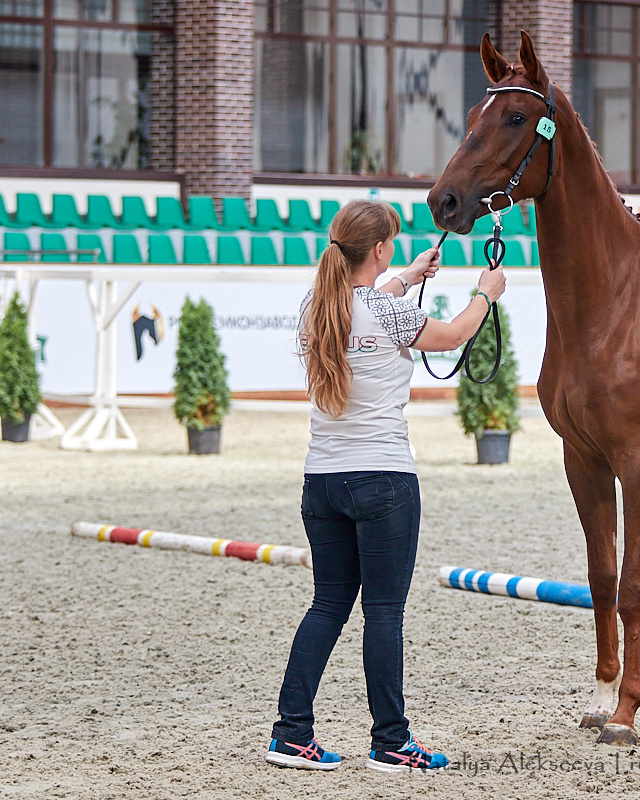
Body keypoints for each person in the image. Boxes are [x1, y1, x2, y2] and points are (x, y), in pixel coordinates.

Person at [265, 199, 506, 773]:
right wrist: (485, 293)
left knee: (327, 605)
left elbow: (369, 306)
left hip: (321, 477)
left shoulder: (317, 305)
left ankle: (290, 732)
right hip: (383, 477)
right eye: (391, 245)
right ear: (377, 249)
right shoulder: (382, 310)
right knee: (384, 613)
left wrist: (407, 277)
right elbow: (449, 337)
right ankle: (392, 742)